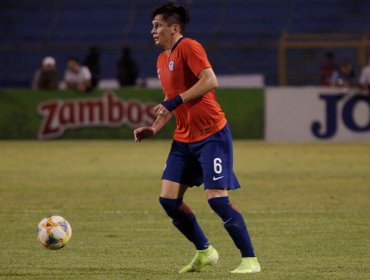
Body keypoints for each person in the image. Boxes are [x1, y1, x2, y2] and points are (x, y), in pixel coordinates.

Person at [133, 2, 260, 274]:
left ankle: (250, 260)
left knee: (216, 199)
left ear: (174, 28)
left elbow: (210, 80)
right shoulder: (161, 60)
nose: (152, 30)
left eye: (158, 25)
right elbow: (171, 100)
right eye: (152, 25)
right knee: (168, 200)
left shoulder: (189, 47)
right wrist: (154, 128)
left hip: (212, 135)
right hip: (184, 139)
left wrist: (175, 100)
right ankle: (205, 251)